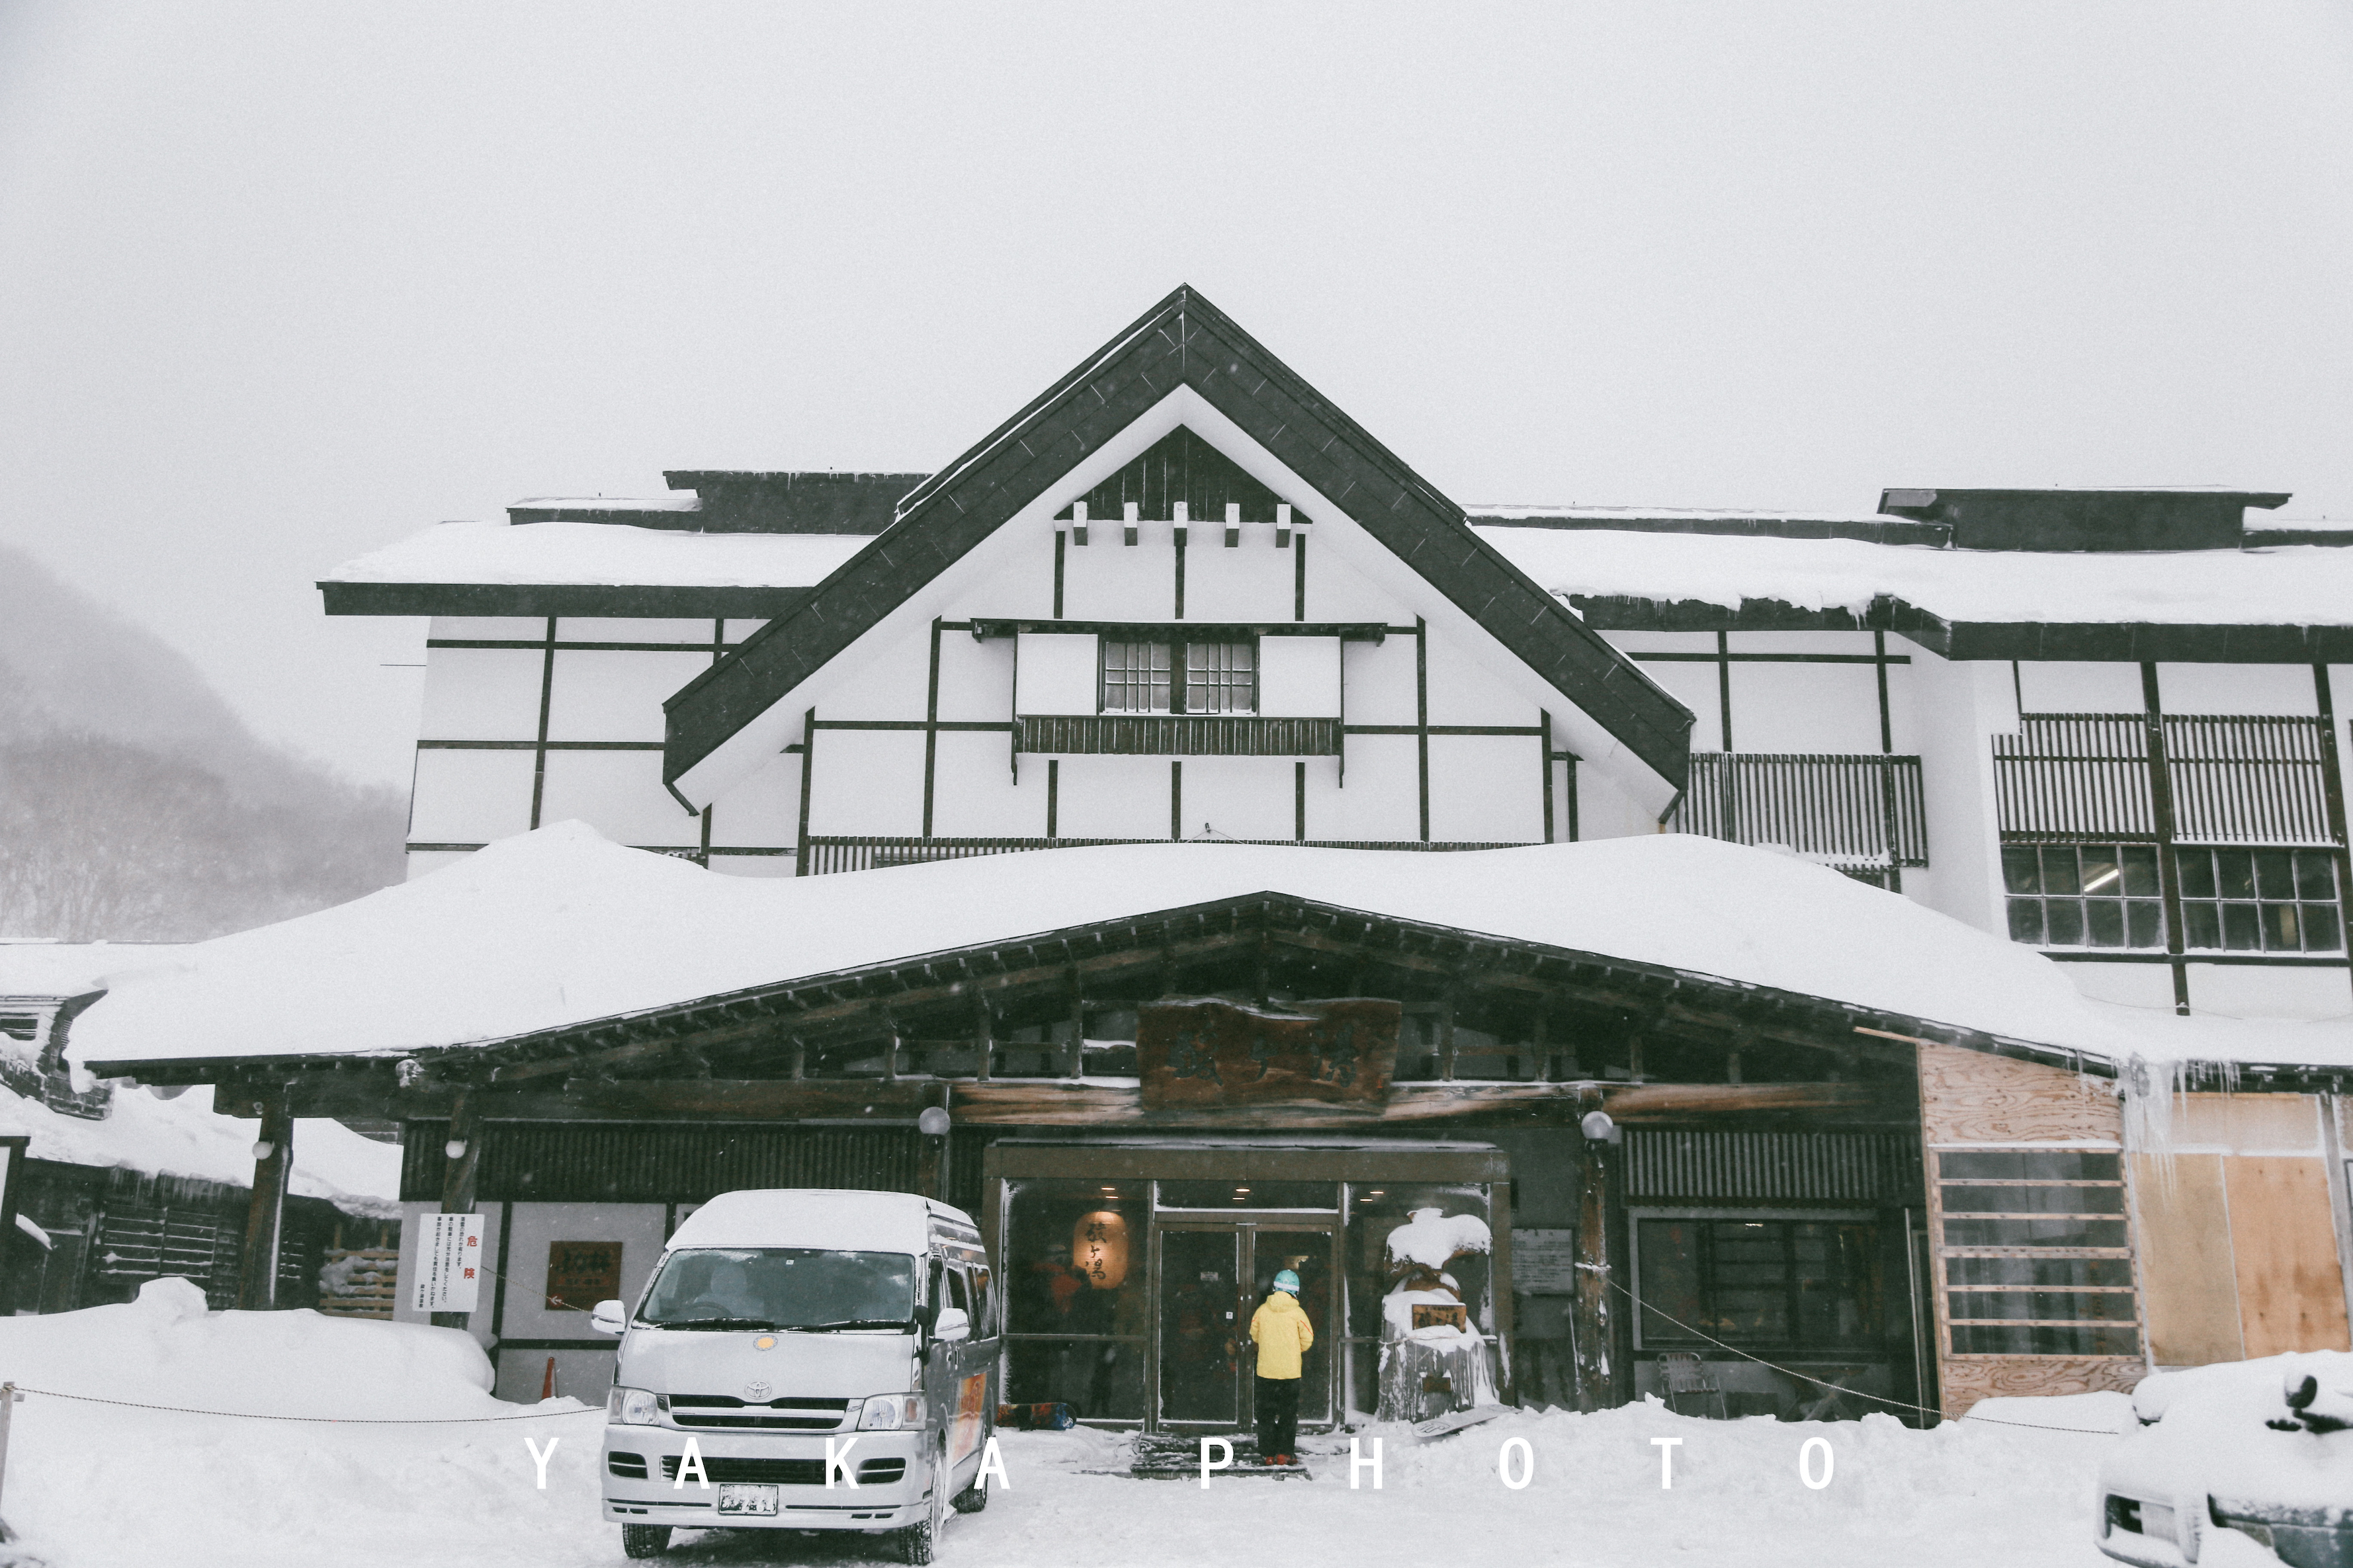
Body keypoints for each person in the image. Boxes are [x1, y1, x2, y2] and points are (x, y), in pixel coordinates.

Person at [1247, 1268, 1314, 1465]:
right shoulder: (1298, 1313)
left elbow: (1254, 1334)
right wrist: (1294, 1350)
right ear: (1295, 1291)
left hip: (1266, 1372)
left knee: (1266, 1414)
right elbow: (1308, 1340)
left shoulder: (1262, 1310)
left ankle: (1268, 1454)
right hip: (1290, 1373)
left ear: (1275, 1288)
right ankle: (1284, 1453)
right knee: (1288, 1414)